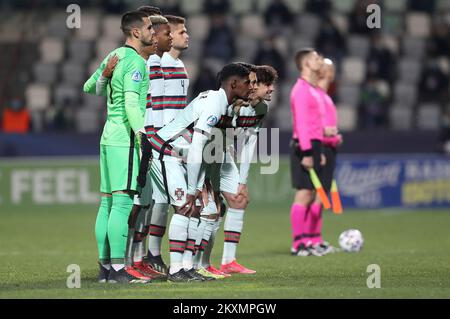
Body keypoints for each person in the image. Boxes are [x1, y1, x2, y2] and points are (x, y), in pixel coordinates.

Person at [148, 63, 253, 282]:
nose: (251, 87)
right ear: (234, 83)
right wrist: (192, 188)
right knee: (185, 206)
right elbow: (197, 145)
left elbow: (204, 149)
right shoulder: (215, 103)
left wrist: (197, 186)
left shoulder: (223, 104)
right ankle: (176, 270)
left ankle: (187, 268)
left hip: (179, 157)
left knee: (195, 208)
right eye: (247, 82)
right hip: (164, 153)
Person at [82, 10, 155, 283]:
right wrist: (142, 135)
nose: (152, 31)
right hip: (124, 140)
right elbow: (132, 104)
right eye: (148, 27)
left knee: (107, 204)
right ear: (136, 32)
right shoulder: (136, 62)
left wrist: (105, 76)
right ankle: (117, 270)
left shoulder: (114, 56)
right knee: (122, 205)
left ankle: (104, 269)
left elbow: (90, 87)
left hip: (106, 137)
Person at [196, 65, 278, 275]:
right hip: (205, 153)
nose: (272, 89)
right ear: (254, 84)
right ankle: (194, 263)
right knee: (209, 208)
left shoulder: (261, 109)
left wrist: (242, 181)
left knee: (239, 199)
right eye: (267, 84)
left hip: (224, 154)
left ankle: (228, 261)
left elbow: (250, 143)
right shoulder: (229, 102)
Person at [145, 14, 190, 275]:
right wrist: (162, 142)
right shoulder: (156, 64)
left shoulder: (179, 65)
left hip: (172, 141)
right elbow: (155, 110)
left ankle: (153, 256)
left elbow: (176, 111)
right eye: (180, 32)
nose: (184, 36)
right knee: (151, 204)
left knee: (161, 202)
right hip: (159, 143)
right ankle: (149, 257)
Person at [289, 48, 325, 257]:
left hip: (314, 144)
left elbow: (313, 123)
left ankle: (307, 242)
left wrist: (318, 149)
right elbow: (301, 124)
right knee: (303, 194)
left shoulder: (311, 89)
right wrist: (308, 152)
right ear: (305, 64)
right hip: (304, 145)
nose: (319, 60)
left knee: (311, 194)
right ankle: (298, 243)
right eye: (315, 58)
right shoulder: (301, 89)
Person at [307, 57, 342, 255]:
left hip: (328, 146)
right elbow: (312, 124)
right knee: (317, 196)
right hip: (321, 148)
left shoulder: (324, 95)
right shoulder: (318, 95)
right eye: (327, 68)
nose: (330, 71)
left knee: (321, 196)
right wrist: (326, 135)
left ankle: (315, 239)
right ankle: (310, 240)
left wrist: (334, 136)